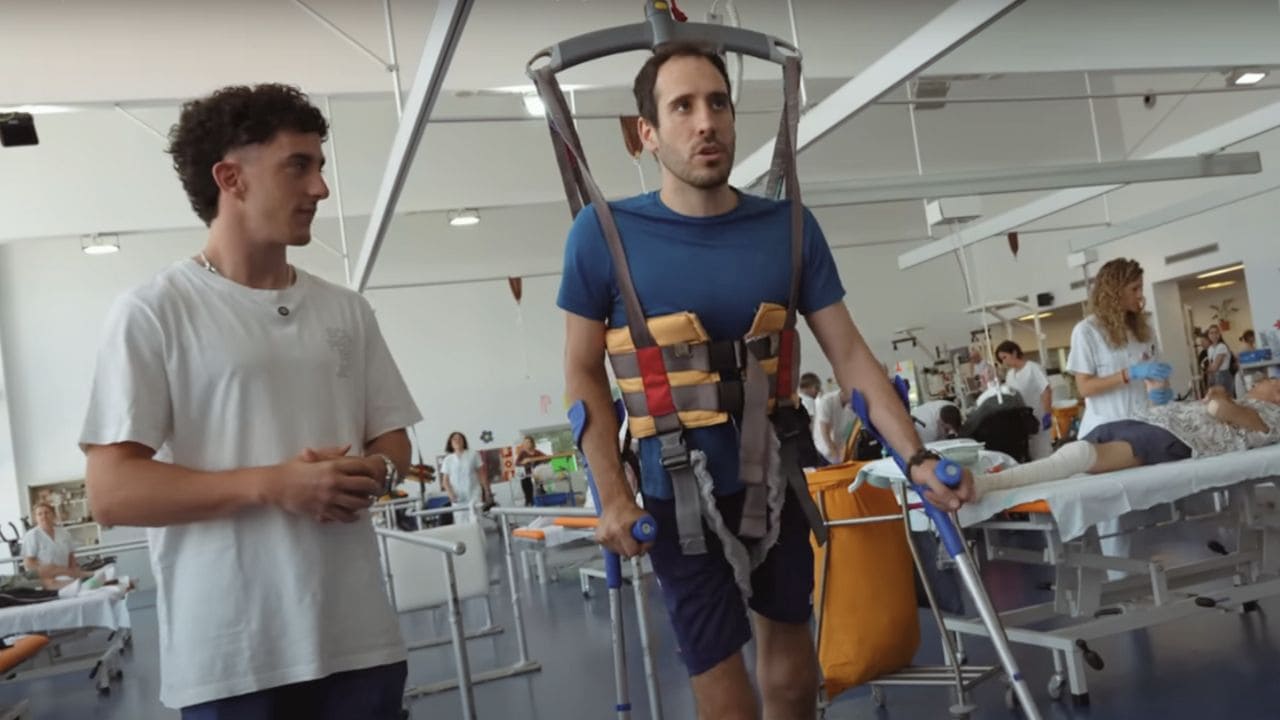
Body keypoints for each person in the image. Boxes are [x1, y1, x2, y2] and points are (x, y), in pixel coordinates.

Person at [558, 43, 975, 719]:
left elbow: (850, 356)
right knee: (723, 686)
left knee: (790, 672)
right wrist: (612, 493)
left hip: (776, 476)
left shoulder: (787, 228)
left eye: (718, 103)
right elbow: (582, 375)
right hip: (674, 487)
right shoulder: (602, 235)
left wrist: (917, 457)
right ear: (647, 133)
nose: (706, 123)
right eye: (683, 107)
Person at [80, 84, 420, 718]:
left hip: (360, 642)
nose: (320, 187)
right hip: (234, 661)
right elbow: (112, 491)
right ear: (230, 178)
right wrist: (274, 484)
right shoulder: (154, 313)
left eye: (320, 165)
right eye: (299, 165)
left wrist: (378, 473)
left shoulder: (346, 310)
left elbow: (392, 438)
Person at [976, 379, 1280, 496]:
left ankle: (990, 484)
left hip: (1176, 437)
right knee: (1076, 452)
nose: (1263, 380)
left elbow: (1224, 411)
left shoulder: (1270, 414)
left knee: (1083, 457)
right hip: (1148, 419)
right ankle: (1002, 478)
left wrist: (1220, 397)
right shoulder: (1248, 404)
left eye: (1271, 381)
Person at [1066, 258, 1172, 567]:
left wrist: (1161, 391)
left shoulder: (1142, 328)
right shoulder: (1087, 331)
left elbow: (1153, 373)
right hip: (1107, 430)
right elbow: (1084, 387)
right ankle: (1121, 586)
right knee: (1114, 521)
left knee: (1144, 512)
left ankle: (1149, 580)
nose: (1141, 294)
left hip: (1143, 425)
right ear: (1114, 290)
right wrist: (1127, 374)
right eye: (1135, 288)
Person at [995, 340, 1054, 460]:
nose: (1004, 362)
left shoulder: (1033, 368)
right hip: (1022, 421)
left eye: (1005, 357)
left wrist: (1047, 414)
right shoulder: (1010, 375)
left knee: (1043, 452)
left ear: (1014, 353)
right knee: (1030, 454)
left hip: (1038, 416)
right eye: (1001, 360)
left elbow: (1046, 390)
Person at [21, 502, 81, 581]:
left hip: (65, 577)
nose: (44, 516)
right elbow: (29, 563)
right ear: (35, 518)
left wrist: (73, 575)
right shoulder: (31, 536)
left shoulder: (64, 533)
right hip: (43, 579)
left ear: (53, 515)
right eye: (40, 514)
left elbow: (71, 557)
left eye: (47, 513)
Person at [440, 431, 489, 519]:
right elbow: (445, 481)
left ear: (464, 441)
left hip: (474, 493)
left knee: (476, 520)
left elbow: (482, 474)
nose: (457, 441)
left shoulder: (473, 454)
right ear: (450, 443)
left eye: (460, 438)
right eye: (454, 439)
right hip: (457, 496)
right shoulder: (448, 459)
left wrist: (487, 491)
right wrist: (450, 494)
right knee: (461, 522)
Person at [514, 435, 548, 506]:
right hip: (527, 474)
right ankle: (529, 500)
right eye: (525, 443)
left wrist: (542, 460)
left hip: (537, 473)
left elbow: (547, 458)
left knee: (538, 479)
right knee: (525, 481)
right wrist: (524, 463)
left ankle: (541, 496)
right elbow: (517, 463)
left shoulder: (537, 452)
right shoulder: (522, 453)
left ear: (532, 443)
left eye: (528, 442)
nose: (527, 444)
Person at [1204, 323, 1236, 397]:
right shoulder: (1210, 349)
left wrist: (1207, 369)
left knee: (1224, 401)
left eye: (1216, 332)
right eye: (1211, 333)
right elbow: (1211, 365)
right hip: (1213, 376)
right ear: (1208, 335)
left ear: (1219, 334)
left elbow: (1215, 366)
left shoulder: (1222, 346)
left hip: (1223, 375)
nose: (1214, 335)